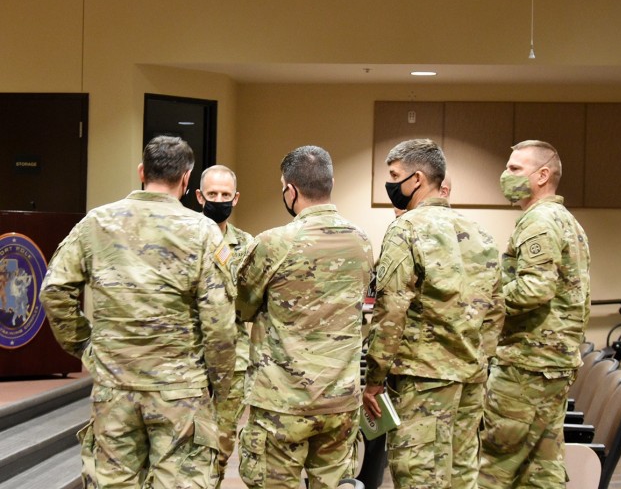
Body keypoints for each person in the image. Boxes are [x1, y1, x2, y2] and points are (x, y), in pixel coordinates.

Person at [39, 135, 237, 489]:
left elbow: (54, 290)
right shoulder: (203, 231)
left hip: (115, 386)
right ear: (187, 179)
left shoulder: (96, 223)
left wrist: (86, 347)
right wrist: (221, 394)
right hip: (180, 391)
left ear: (142, 171)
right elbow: (219, 323)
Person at [363, 138, 504, 489]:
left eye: (395, 175)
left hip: (422, 381)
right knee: (461, 476)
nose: (391, 184)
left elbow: (390, 310)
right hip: (471, 378)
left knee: (418, 476)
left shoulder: (406, 229)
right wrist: (477, 360)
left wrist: (375, 378)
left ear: (417, 179)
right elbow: (496, 309)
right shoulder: (481, 233)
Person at [235, 145, 374, 488]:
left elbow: (241, 307)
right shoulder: (361, 241)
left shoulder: (274, 243)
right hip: (339, 401)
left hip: (283, 401)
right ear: (330, 183)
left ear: (290, 190)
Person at [479, 140, 591, 489]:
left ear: (543, 175)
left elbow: (534, 289)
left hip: (526, 363)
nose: (505, 175)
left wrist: (484, 304)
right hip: (553, 362)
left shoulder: (539, 221)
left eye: (514, 169)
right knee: (541, 467)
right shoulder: (565, 220)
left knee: (495, 465)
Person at [196, 164, 253, 488]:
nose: (219, 199)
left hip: (234, 361)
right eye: (213, 194)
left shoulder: (245, 244)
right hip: (188, 358)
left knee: (221, 442)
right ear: (199, 196)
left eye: (225, 195)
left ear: (236, 198)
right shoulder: (184, 238)